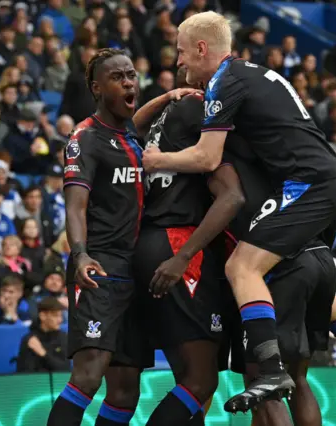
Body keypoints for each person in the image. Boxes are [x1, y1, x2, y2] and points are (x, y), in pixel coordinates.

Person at [142, 11, 336, 411]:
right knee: (296, 264)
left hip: (308, 185)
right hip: (319, 180)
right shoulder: (251, 73)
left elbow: (206, 158)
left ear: (203, 49)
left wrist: (157, 160)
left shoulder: (226, 82)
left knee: (242, 267)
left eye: (182, 53)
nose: (178, 62)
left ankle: (271, 368)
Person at [47, 48, 156, 426]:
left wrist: (171, 96)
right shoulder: (84, 138)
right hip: (100, 267)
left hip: (137, 272)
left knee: (127, 388)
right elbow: (75, 208)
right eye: (117, 77)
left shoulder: (131, 136)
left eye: (131, 75)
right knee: (89, 376)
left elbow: (137, 119)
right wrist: (79, 255)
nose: (129, 82)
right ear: (96, 88)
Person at [131, 67, 245, 426]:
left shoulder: (165, 115)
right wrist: (183, 257)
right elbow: (232, 196)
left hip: (147, 242)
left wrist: (166, 96)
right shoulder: (203, 110)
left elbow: (132, 124)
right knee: (202, 379)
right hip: (178, 245)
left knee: (188, 379)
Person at [16, 297, 70, 373]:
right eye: (55, 315)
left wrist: (43, 353)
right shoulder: (30, 340)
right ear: (42, 316)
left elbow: (65, 368)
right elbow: (25, 373)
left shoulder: (63, 337)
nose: (60, 320)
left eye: (60, 316)